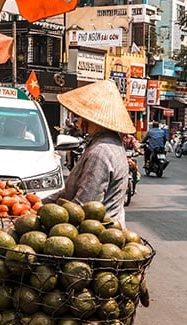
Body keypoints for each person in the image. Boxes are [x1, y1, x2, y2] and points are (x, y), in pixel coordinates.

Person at [50, 79, 132, 227]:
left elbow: (83, 206)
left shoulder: (100, 152)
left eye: (79, 117)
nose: (77, 121)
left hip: (98, 234)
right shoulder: (109, 142)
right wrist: (37, 202)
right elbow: (67, 194)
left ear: (89, 119)